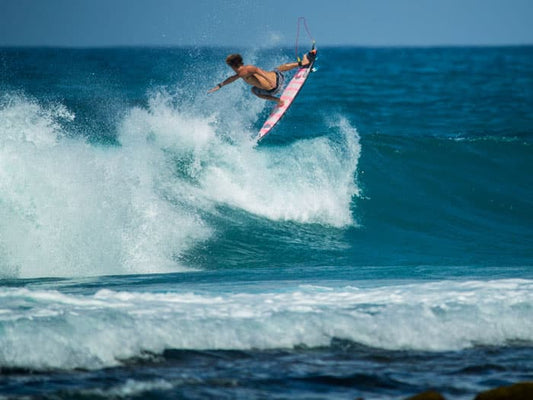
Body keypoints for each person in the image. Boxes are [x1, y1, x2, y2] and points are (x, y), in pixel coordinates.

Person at [208, 50, 316, 107]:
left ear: (233, 66)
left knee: (275, 70)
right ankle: (301, 63)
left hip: (275, 86)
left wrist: (270, 81)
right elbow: (232, 78)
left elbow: (257, 70)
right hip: (276, 83)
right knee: (276, 70)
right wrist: (219, 86)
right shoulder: (242, 72)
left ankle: (278, 100)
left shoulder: (246, 70)